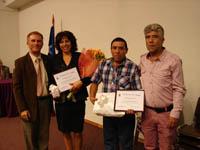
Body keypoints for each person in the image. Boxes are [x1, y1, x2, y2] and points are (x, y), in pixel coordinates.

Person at [89, 37, 141, 150]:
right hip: (108, 112)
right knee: (109, 142)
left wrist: (134, 107)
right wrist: (92, 96)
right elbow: (94, 81)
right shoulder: (103, 64)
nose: (117, 51)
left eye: (121, 48)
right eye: (115, 48)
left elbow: (138, 90)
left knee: (126, 144)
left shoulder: (133, 67)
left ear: (126, 50)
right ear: (111, 49)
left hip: (126, 115)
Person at [140, 23, 186, 150]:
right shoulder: (143, 59)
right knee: (149, 146)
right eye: (147, 37)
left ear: (162, 39)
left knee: (166, 147)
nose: (150, 40)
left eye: (155, 37)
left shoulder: (173, 60)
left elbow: (179, 88)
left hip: (166, 114)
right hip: (147, 113)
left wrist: (175, 113)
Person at [13, 31, 53, 150]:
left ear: (42, 43)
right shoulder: (20, 62)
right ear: (27, 43)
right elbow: (16, 87)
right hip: (28, 105)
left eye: (39, 41)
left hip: (45, 102)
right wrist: (22, 108)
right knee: (30, 135)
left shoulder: (48, 60)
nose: (36, 43)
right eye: (33, 40)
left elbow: (53, 80)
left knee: (44, 134)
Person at [51, 31, 91, 150]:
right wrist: (53, 87)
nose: (64, 44)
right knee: (65, 130)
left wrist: (81, 82)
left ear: (72, 42)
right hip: (61, 101)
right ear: (58, 44)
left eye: (67, 41)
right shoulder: (53, 59)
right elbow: (50, 78)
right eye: (61, 42)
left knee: (78, 131)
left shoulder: (80, 57)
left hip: (78, 100)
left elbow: (89, 76)